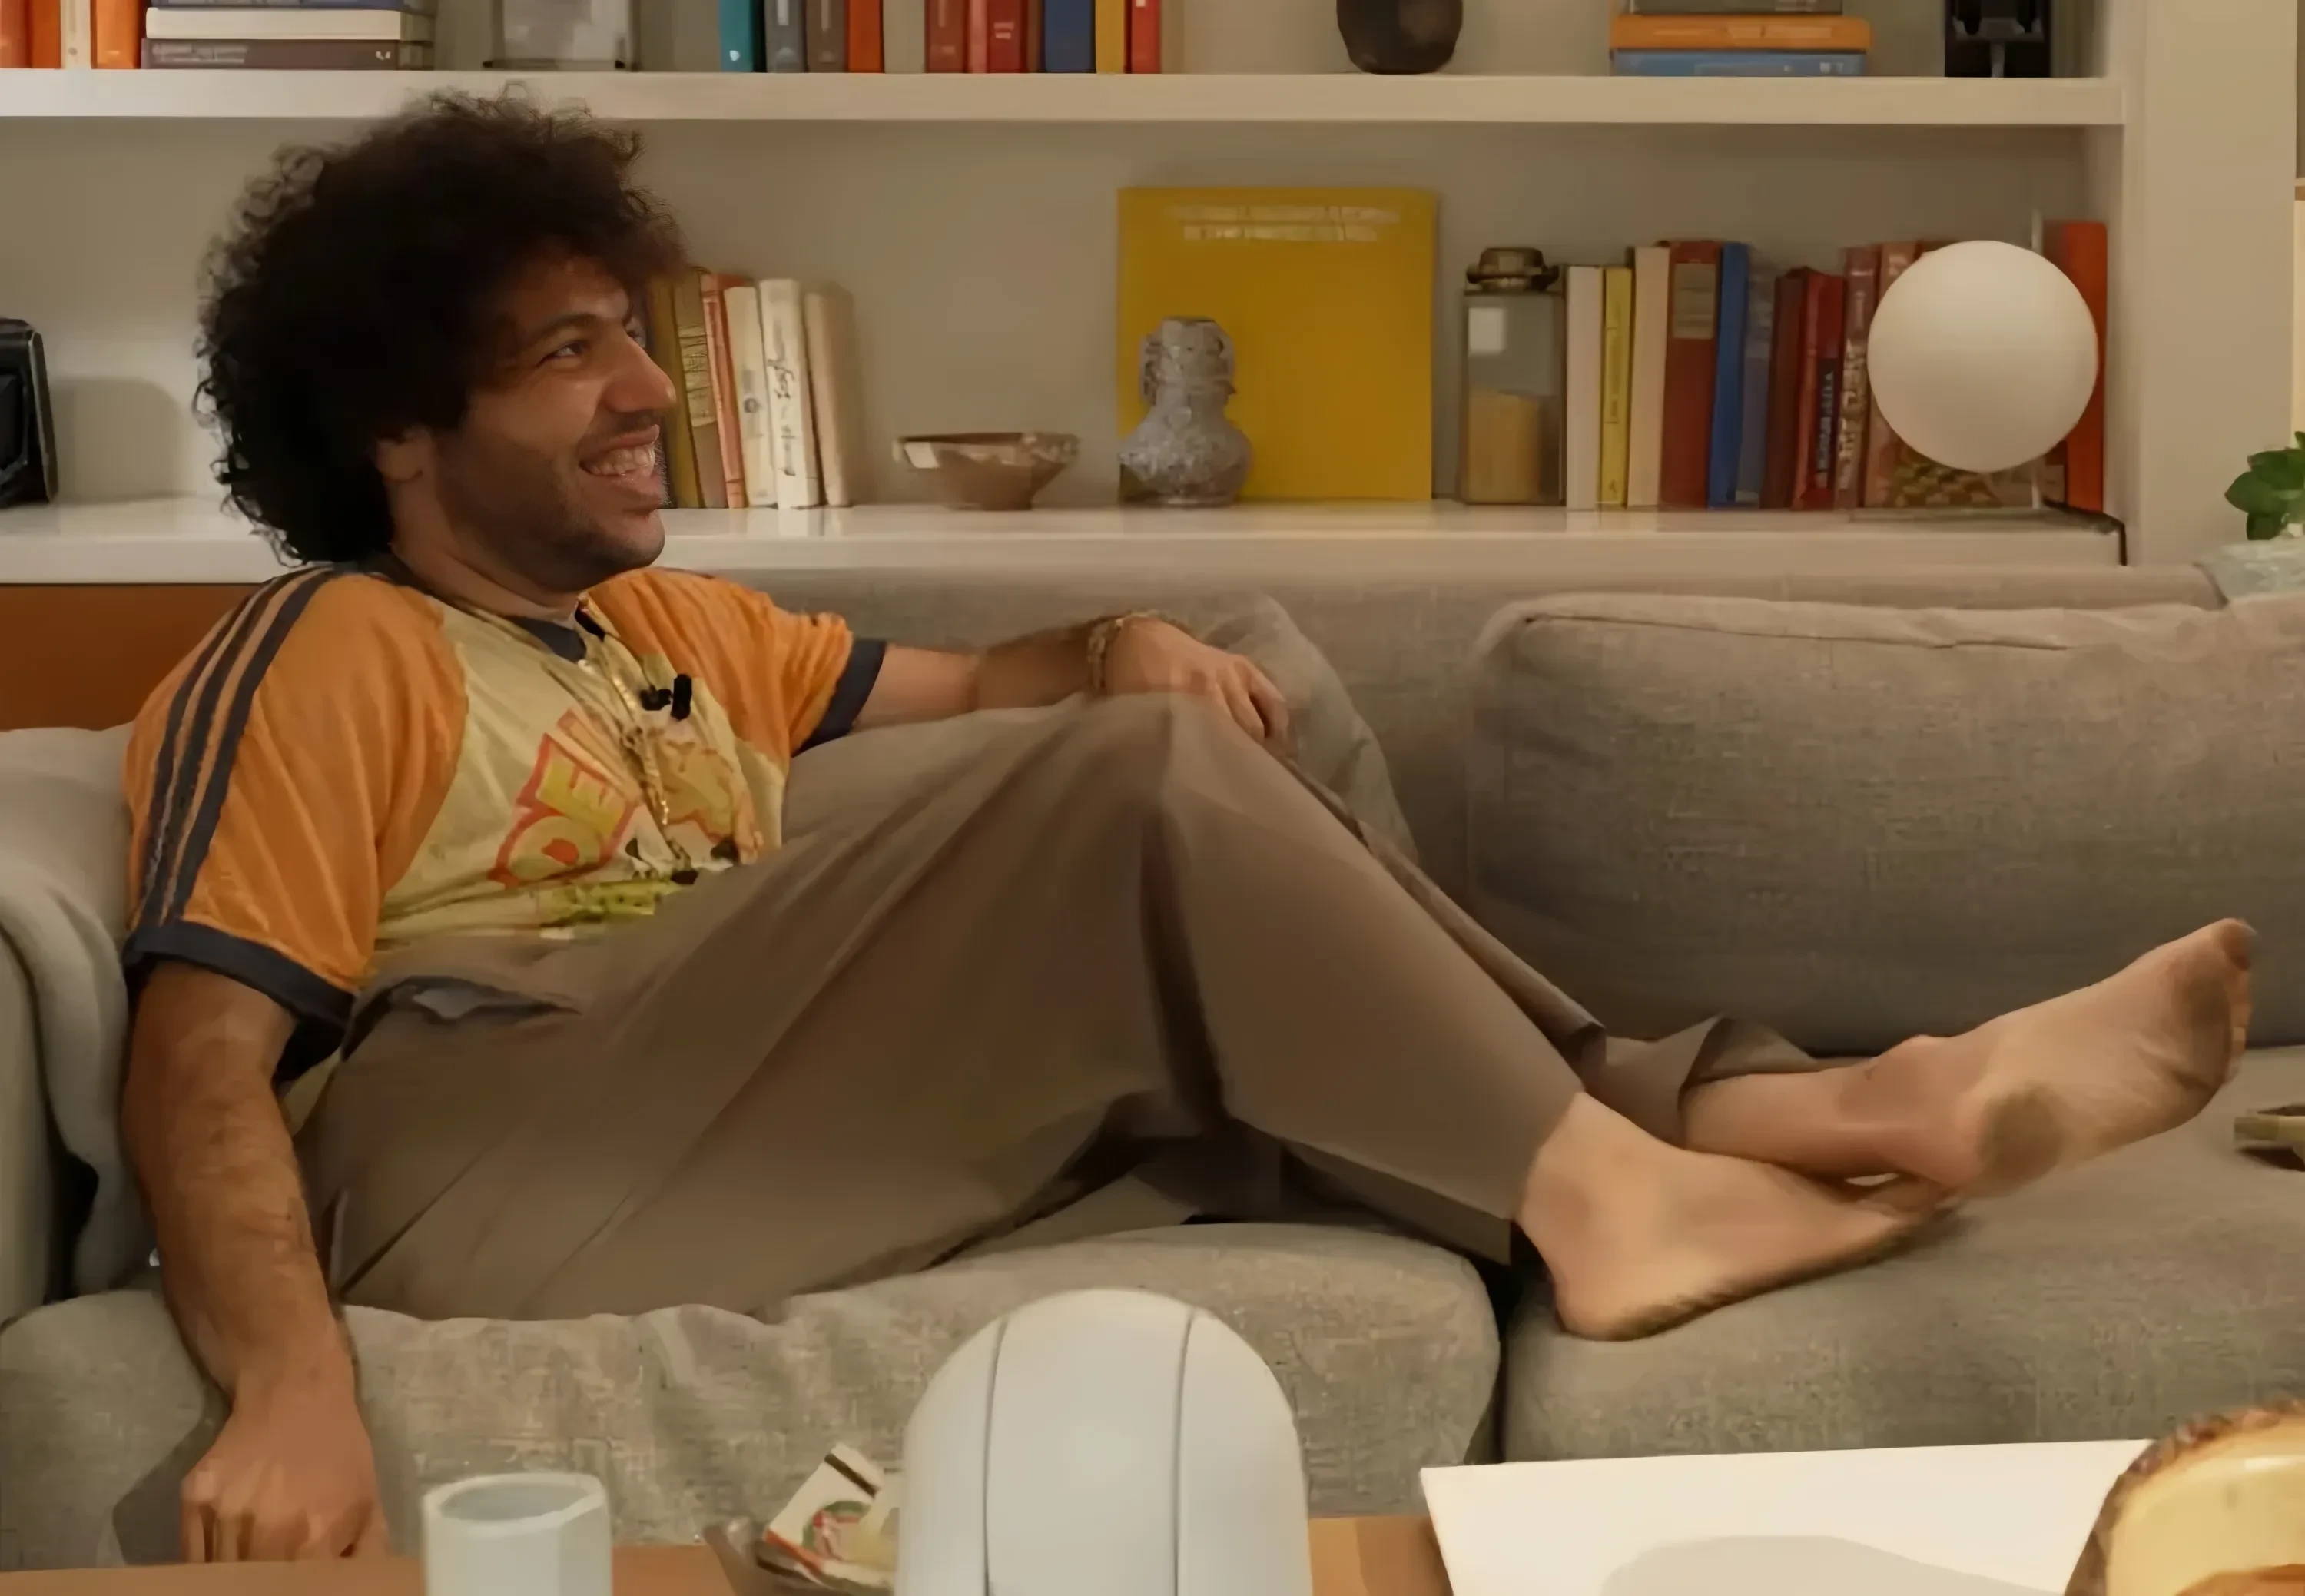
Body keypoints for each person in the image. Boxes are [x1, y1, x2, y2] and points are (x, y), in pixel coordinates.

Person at [120, 94, 2252, 1567]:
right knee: (1138, 787)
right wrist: (294, 1390)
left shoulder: (676, 632)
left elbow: (996, 691)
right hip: (484, 1155)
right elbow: (199, 1061)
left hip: (717, 1118)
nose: (652, 390)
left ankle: (1810, 1108)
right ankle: (1636, 1188)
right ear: (395, 425)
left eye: (638, 338)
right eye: (570, 352)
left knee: (1214, 745)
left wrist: (1123, 634)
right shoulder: (328, 649)